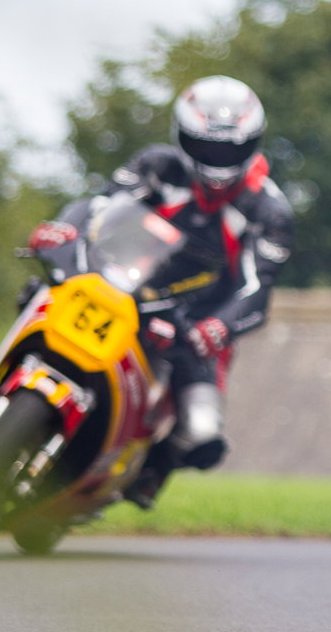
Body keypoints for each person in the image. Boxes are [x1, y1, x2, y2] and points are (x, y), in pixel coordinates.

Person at [30, 76, 295, 508]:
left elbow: (257, 290)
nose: (217, 162)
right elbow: (98, 206)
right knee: (40, 291)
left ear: (253, 144)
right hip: (123, 285)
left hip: (195, 322)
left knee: (201, 428)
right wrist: (65, 229)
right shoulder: (156, 165)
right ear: (182, 137)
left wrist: (216, 328)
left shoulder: (270, 211)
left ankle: (149, 473)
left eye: (230, 151)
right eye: (205, 147)